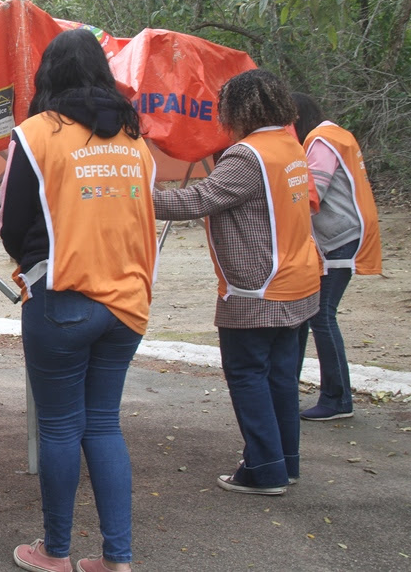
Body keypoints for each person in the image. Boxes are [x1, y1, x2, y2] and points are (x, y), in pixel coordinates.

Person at [0, 29, 158, 572]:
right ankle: (118, 560)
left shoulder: (37, 134)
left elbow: (11, 225)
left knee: (61, 428)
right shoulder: (137, 142)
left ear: (49, 75)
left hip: (63, 299)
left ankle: (56, 552)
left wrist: (36, 263)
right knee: (104, 424)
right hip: (128, 303)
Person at [154, 69, 320, 497]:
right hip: (298, 282)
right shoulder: (290, 146)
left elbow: (196, 200)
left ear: (238, 109)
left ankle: (264, 470)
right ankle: (286, 463)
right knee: (281, 378)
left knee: (247, 375)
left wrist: (129, 193)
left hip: (258, 289)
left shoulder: (249, 155)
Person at [292, 92, 382, 421]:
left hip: (338, 238)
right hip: (348, 233)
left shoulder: (319, 141)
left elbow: (313, 192)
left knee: (321, 316)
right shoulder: (337, 134)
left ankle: (337, 398)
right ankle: (314, 391)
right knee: (314, 315)